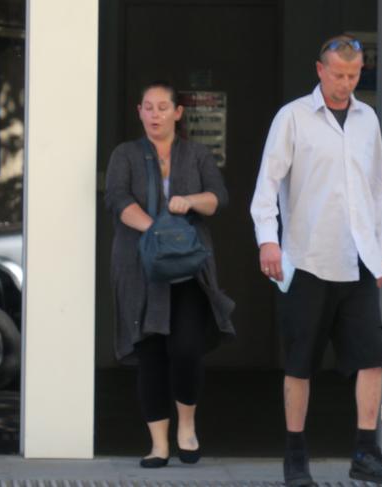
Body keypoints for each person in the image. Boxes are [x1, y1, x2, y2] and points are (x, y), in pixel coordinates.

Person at [250, 35, 382, 486]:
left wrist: (381, 250)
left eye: (353, 74)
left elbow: (378, 189)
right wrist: (268, 241)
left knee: (372, 358)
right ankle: (296, 457)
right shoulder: (293, 118)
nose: (345, 83)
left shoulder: (367, 119)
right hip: (307, 258)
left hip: (358, 258)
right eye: (338, 74)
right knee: (300, 363)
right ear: (319, 70)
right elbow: (267, 186)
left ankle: (366, 452)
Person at [105, 81, 235, 468]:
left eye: (163, 107)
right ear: (139, 111)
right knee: (150, 353)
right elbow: (116, 199)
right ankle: (158, 444)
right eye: (148, 107)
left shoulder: (196, 154)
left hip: (188, 267)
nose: (155, 114)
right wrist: (156, 230)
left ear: (178, 113)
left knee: (186, 349)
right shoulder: (125, 154)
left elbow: (217, 198)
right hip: (139, 266)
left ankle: (187, 429)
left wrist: (189, 201)